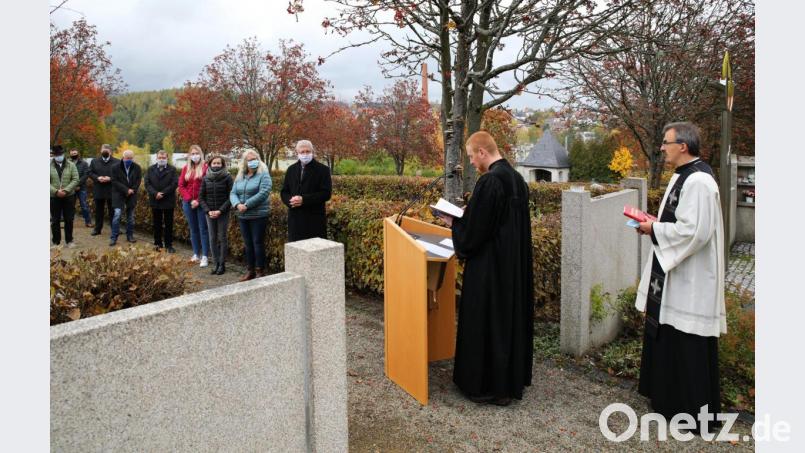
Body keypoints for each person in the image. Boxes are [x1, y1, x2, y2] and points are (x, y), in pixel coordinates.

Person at [635, 121, 726, 426]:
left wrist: (654, 229)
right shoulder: (683, 176)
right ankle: (668, 400)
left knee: (687, 341)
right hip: (677, 273)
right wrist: (654, 223)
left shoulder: (699, 181)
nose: (662, 148)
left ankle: (689, 413)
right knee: (670, 335)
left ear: (683, 146)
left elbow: (695, 232)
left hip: (691, 278)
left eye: (666, 142)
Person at [435, 131, 534, 406]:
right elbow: (497, 221)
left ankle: (485, 387)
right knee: (506, 322)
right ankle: (507, 384)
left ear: (482, 152)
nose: (471, 163)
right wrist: (471, 214)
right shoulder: (516, 180)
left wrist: (453, 222)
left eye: (470, 156)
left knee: (487, 321)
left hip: (490, 269)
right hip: (512, 267)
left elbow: (476, 233)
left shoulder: (489, 181)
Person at [229, 150, 272, 281]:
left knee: (257, 243)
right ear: (245, 162)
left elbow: (264, 192)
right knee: (248, 244)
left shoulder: (263, 174)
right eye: (249, 159)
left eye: (255, 159)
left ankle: (260, 270)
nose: (252, 161)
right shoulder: (240, 176)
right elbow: (233, 193)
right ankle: (250, 270)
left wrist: (246, 204)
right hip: (243, 215)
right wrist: (237, 204)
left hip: (258, 215)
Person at [280, 140, 332, 242]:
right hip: (295, 219)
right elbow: (284, 191)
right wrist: (291, 201)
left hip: (314, 219)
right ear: (297, 153)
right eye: (302, 152)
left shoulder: (323, 170)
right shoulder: (291, 170)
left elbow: (326, 193)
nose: (305, 154)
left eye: (307, 151)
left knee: (316, 251)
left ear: (312, 152)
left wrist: (304, 200)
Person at [199, 155, 234, 275]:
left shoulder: (228, 177)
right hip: (209, 213)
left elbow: (231, 196)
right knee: (212, 238)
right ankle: (215, 263)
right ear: (210, 164)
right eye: (214, 163)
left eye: (219, 163)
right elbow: (201, 197)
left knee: (222, 238)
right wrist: (208, 211)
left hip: (222, 213)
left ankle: (222, 264)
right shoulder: (205, 178)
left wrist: (220, 210)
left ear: (222, 165)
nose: (216, 165)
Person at [179, 145, 210, 267]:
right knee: (193, 229)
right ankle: (196, 254)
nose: (194, 155)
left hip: (202, 203)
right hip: (188, 203)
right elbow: (181, 185)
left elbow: (207, 186)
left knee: (203, 229)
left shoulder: (206, 168)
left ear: (201, 154)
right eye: (192, 153)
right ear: (189, 155)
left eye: (197, 153)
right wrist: (189, 199)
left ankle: (205, 256)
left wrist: (197, 200)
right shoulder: (186, 168)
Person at [144, 150, 179, 253]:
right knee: (156, 223)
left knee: (169, 224)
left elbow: (174, 184)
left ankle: (169, 245)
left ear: (167, 158)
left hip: (168, 200)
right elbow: (147, 183)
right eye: (160, 157)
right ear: (156, 158)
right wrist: (155, 193)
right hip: (155, 200)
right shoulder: (150, 169)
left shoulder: (172, 169)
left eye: (163, 158)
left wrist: (162, 193)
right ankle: (158, 244)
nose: (161, 159)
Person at [109, 150, 142, 246]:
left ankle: (130, 236)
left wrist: (132, 190)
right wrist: (126, 190)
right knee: (117, 215)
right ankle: (113, 237)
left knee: (130, 217)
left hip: (131, 194)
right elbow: (114, 181)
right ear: (123, 157)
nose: (129, 160)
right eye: (127, 158)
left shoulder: (137, 167)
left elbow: (138, 180)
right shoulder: (115, 167)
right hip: (118, 194)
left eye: (131, 158)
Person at [50, 145, 79, 248]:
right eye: (57, 155)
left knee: (69, 219)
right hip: (54, 197)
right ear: (54, 155)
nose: (59, 156)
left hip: (69, 196)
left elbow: (75, 179)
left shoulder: (71, 165)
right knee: (55, 220)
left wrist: (66, 190)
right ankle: (56, 242)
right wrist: (56, 191)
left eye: (61, 154)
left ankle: (69, 241)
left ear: (64, 154)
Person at [89, 144, 119, 235]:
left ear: (110, 151)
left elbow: (120, 175)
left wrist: (110, 178)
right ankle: (97, 229)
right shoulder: (94, 161)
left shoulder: (117, 161)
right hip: (99, 189)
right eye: (103, 150)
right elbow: (90, 172)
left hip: (112, 190)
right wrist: (97, 178)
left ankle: (114, 229)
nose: (105, 152)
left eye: (107, 150)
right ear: (100, 151)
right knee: (98, 211)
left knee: (113, 211)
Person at [69, 149, 93, 227]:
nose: (74, 155)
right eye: (72, 154)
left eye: (75, 153)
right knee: (70, 206)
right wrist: (73, 185)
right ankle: (69, 223)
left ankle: (88, 222)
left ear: (78, 154)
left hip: (81, 187)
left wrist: (78, 184)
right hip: (71, 188)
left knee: (84, 205)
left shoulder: (84, 163)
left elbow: (86, 174)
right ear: (70, 155)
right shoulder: (68, 163)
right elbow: (66, 175)